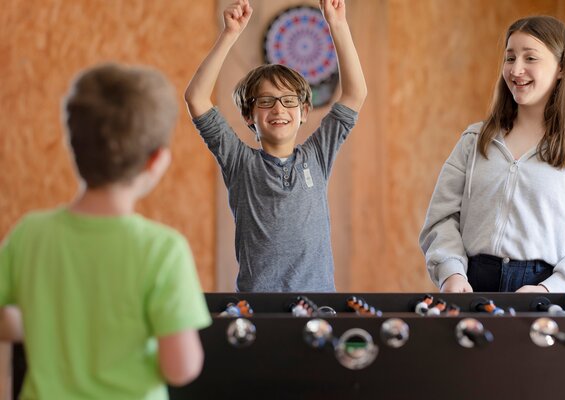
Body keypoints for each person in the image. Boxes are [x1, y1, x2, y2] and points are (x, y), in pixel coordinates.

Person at [0, 63, 212, 399]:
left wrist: (43, 324)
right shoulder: (162, 250)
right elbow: (181, 367)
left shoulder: (29, 235)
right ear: (156, 160)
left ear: (75, 147)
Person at [419, 15, 565, 293]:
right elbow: (441, 219)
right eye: (510, 57)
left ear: (561, 68)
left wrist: (551, 289)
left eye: (530, 58)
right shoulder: (474, 141)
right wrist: (451, 273)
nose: (516, 70)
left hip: (545, 295)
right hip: (472, 285)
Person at [184, 0, 367, 292]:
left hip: (319, 307)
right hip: (258, 309)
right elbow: (197, 99)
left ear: (304, 112)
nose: (278, 109)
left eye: (289, 100)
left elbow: (355, 93)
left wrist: (338, 25)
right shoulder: (239, 161)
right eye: (266, 101)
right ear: (248, 115)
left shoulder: (318, 156)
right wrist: (229, 33)